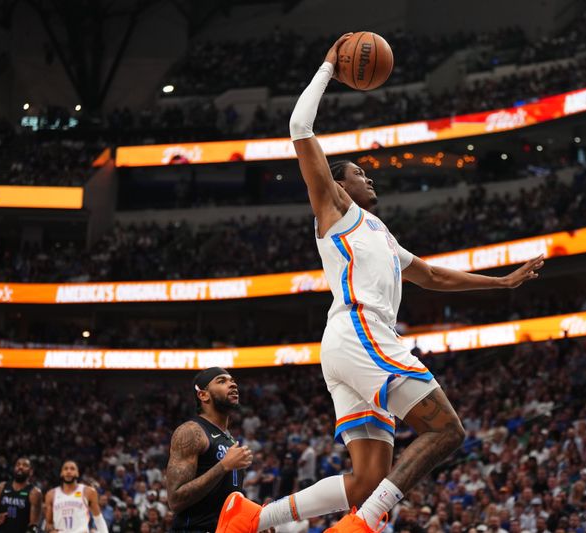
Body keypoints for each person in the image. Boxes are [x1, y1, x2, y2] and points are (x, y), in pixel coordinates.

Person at [216, 33, 545, 533]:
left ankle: (254, 518)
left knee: (368, 477)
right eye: (359, 173)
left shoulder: (382, 234)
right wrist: (328, 66)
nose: (369, 178)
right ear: (338, 184)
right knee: (447, 430)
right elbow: (299, 126)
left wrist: (499, 283)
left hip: (350, 343)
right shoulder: (332, 208)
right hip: (360, 331)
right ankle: (363, 525)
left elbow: (433, 274)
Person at [166, 367, 253, 533]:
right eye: (222, 381)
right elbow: (175, 500)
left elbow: (228, 500)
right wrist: (223, 466)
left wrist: (255, 521)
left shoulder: (230, 440)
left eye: (232, 381)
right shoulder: (191, 431)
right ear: (203, 395)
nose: (233, 385)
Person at [44, 460, 106, 533]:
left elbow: (98, 519)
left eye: (72, 469)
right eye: (65, 469)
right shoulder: (51, 494)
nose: (69, 471)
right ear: (61, 473)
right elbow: (49, 524)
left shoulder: (88, 492)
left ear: (77, 473)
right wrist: (50, 531)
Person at [0, 457, 42, 533]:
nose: (20, 467)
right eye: (18, 464)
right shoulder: (1, 486)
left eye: (25, 465)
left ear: (31, 471)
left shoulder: (35, 493)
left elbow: (34, 524)